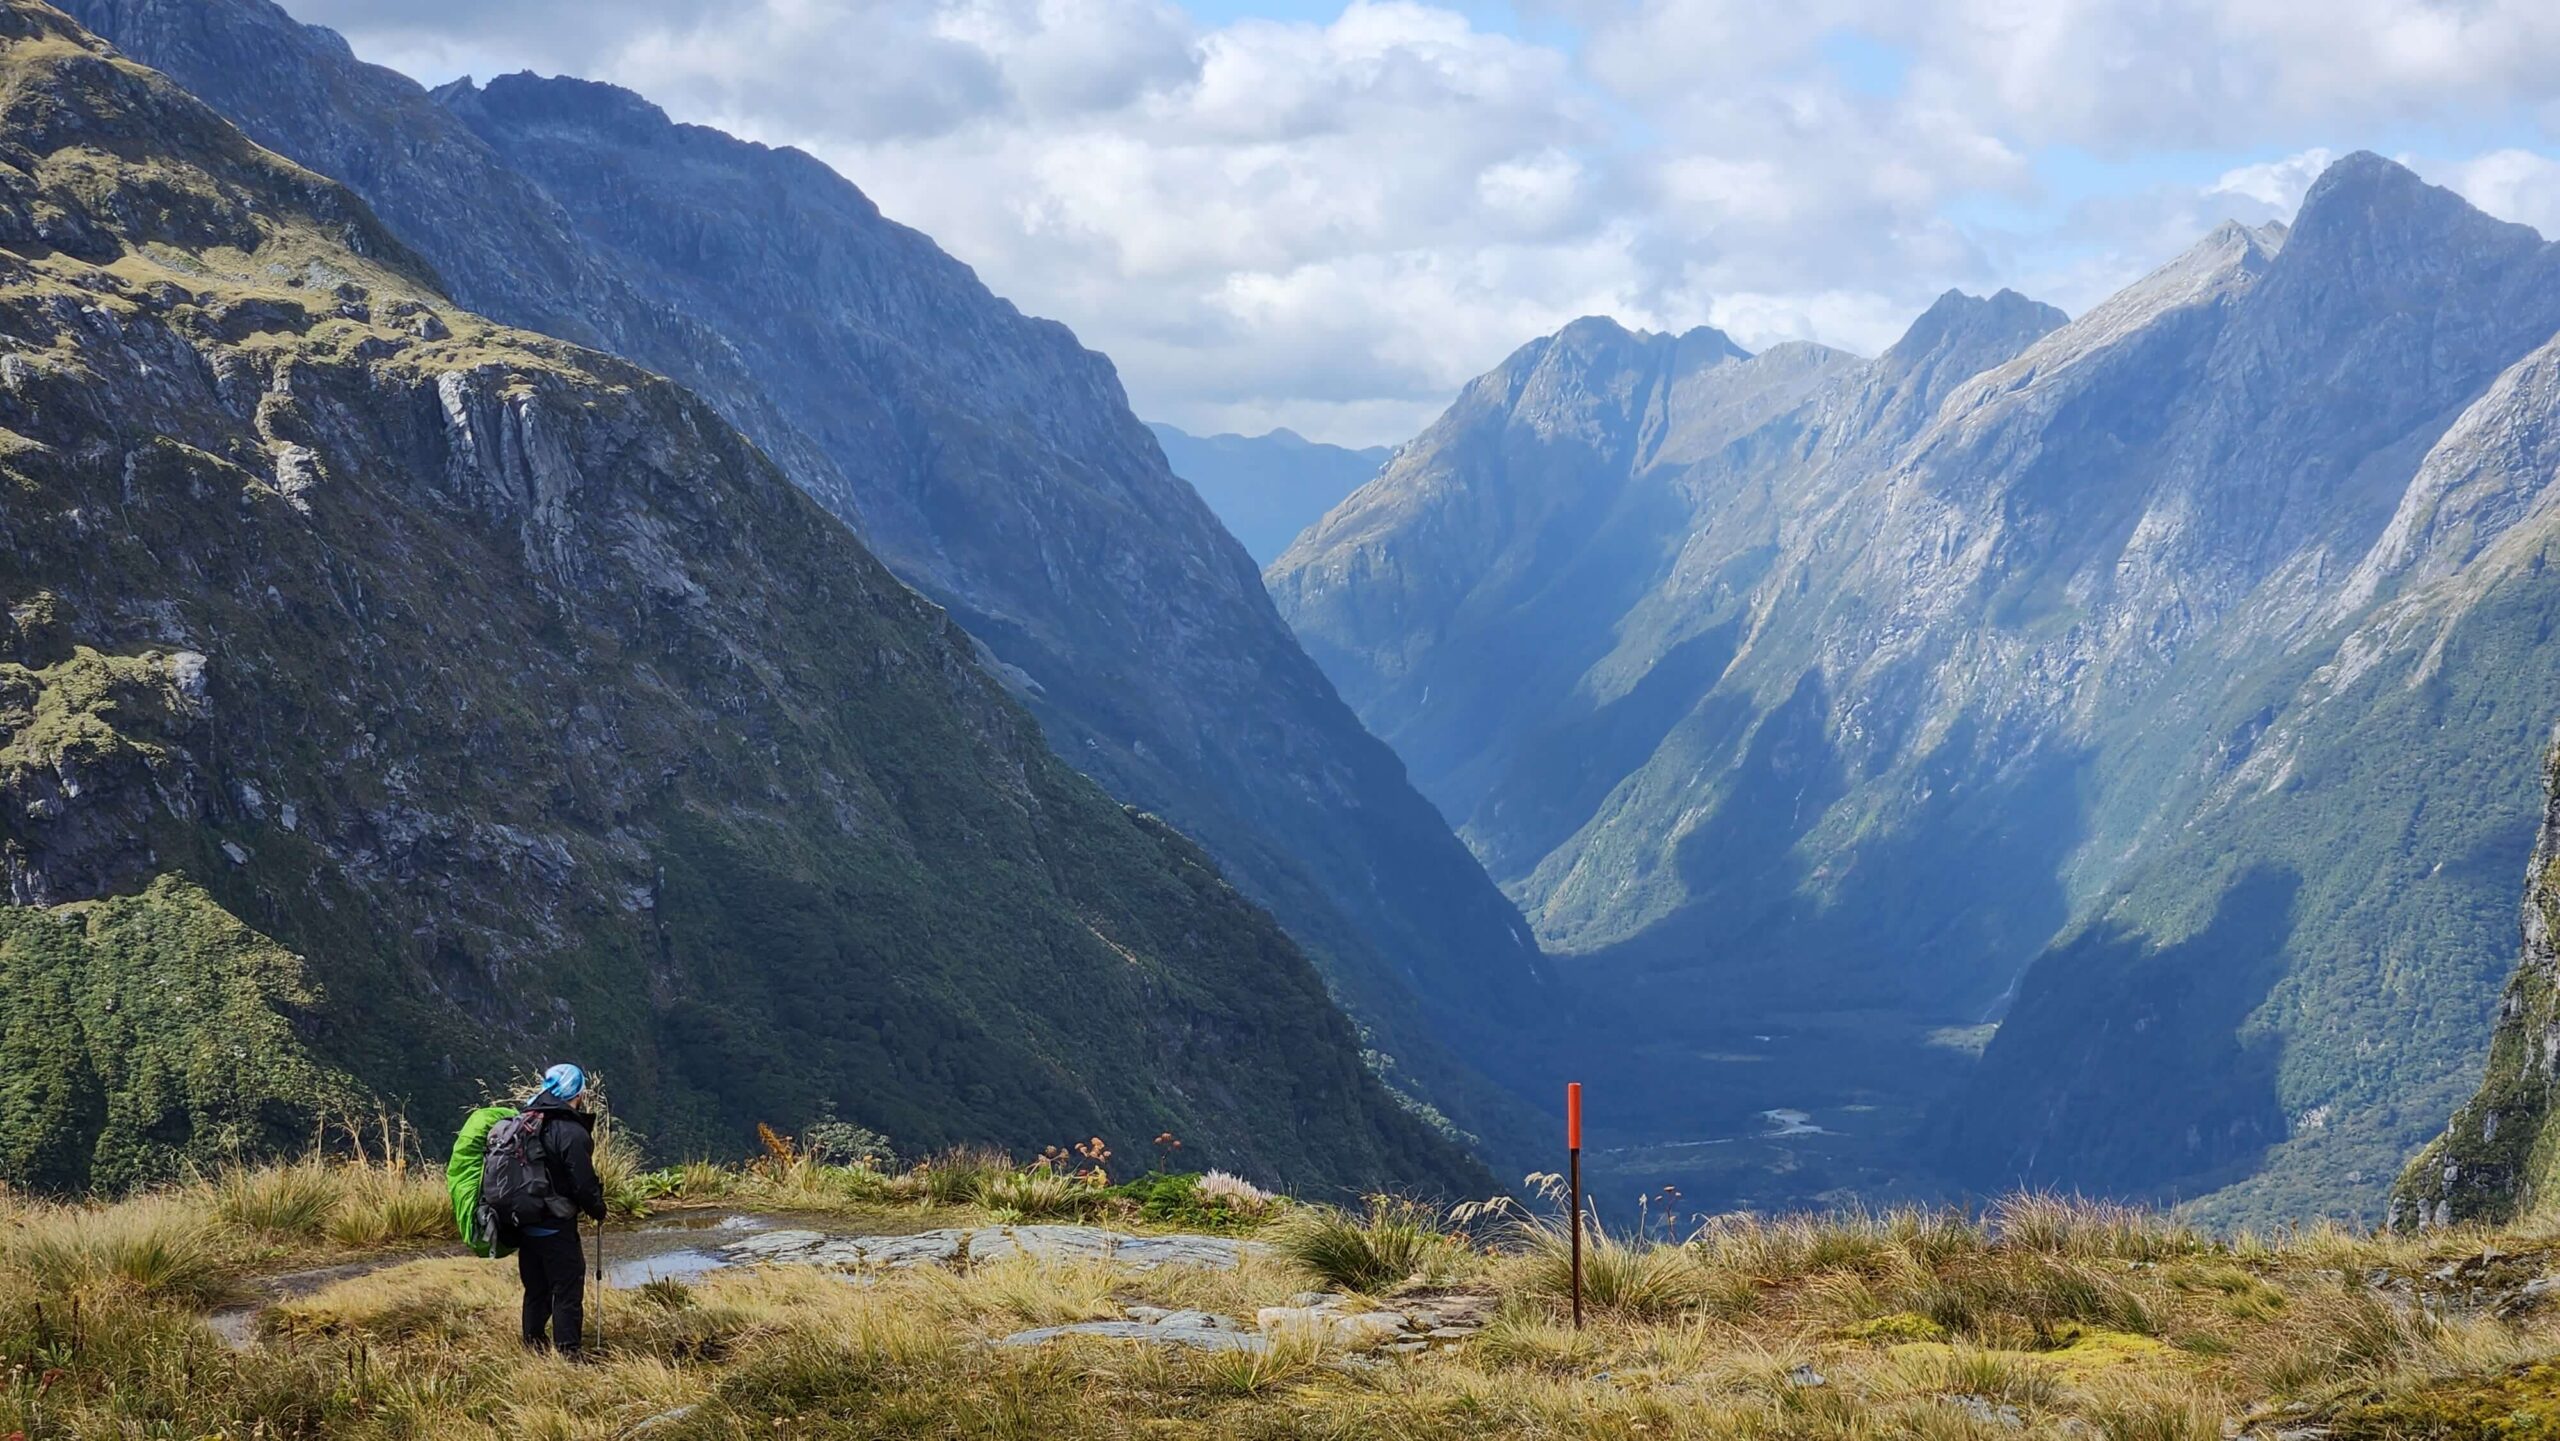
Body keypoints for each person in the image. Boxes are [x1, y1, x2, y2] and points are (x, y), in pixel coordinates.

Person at [508, 1062, 607, 1356]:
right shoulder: (570, 1132)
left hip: (524, 1221)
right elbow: (583, 1183)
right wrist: (598, 1209)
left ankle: (533, 1347)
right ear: (577, 1092)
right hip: (556, 1223)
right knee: (567, 1286)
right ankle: (568, 1353)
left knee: (536, 1288)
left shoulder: (525, 1122)